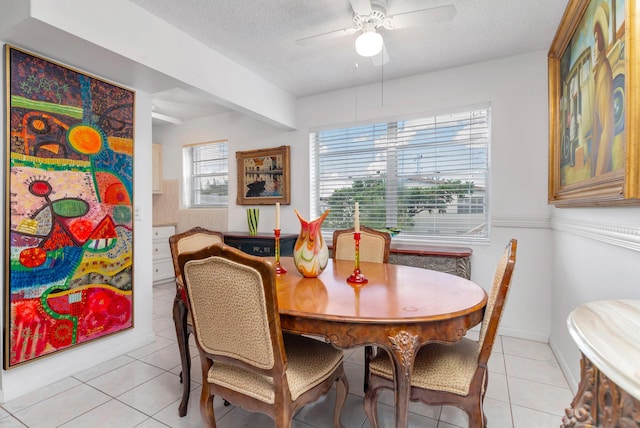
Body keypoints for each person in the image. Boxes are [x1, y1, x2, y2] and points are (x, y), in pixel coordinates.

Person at [590, 4, 614, 177]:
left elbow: (607, 127)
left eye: (595, 40)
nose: (593, 47)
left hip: (604, 165)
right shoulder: (598, 73)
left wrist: (599, 175)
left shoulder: (604, 71)